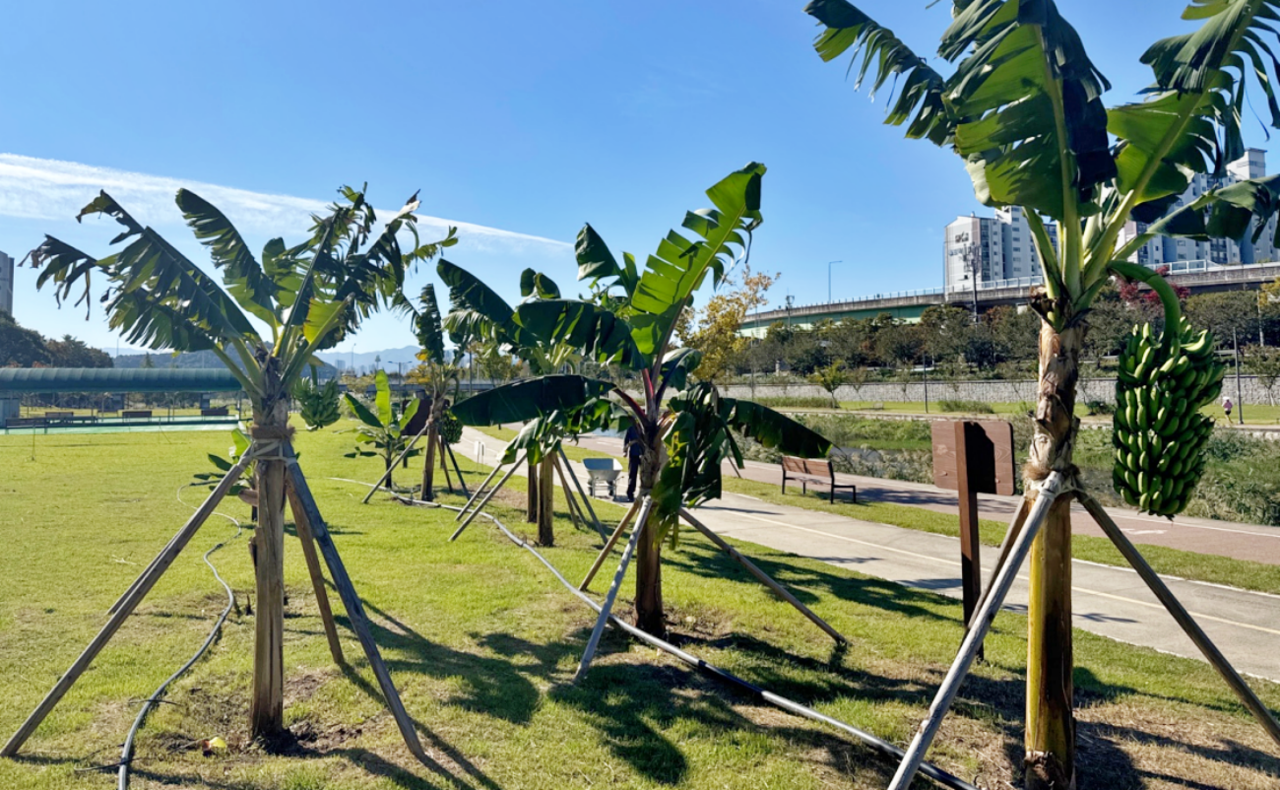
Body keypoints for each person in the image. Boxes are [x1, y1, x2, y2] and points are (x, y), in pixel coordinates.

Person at [624, 423, 644, 502]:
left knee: (645, 474)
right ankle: (630, 493)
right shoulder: (631, 427)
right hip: (634, 453)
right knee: (632, 474)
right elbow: (626, 439)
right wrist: (625, 450)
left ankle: (644, 493)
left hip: (644, 454)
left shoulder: (646, 426)